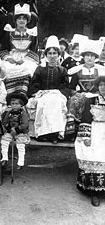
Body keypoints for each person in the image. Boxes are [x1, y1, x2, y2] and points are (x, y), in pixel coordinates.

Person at [27, 35, 70, 142]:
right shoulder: (40, 69)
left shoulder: (62, 70)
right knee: (44, 102)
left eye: (54, 53)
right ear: (46, 55)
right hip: (43, 95)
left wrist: (57, 92)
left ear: (58, 54)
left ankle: (55, 133)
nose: (52, 56)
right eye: (49, 53)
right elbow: (33, 84)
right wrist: (38, 91)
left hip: (57, 95)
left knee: (56, 102)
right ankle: (42, 133)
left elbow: (66, 87)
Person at [74, 76, 105, 206]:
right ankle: (95, 192)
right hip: (94, 131)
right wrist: (86, 137)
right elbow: (86, 118)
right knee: (93, 155)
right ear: (98, 87)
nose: (104, 88)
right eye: (101, 85)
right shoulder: (91, 100)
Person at [0, 3, 39, 96]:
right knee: (6, 69)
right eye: (19, 18)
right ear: (15, 20)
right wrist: (9, 58)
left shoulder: (32, 33)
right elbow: (4, 49)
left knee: (28, 69)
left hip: (27, 58)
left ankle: (23, 94)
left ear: (27, 20)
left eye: (24, 18)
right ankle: (10, 95)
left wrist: (25, 60)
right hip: (11, 56)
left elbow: (34, 50)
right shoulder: (9, 32)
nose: (21, 21)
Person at [68, 39, 105, 125]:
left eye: (92, 56)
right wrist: (78, 94)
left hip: (97, 95)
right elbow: (71, 88)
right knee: (75, 100)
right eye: (87, 55)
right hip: (82, 95)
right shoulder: (77, 70)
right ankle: (74, 128)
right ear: (83, 57)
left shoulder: (101, 70)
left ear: (95, 58)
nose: (89, 58)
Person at [1, 92, 29, 170]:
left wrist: (17, 129)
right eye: (13, 103)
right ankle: (4, 158)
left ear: (21, 105)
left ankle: (20, 162)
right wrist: (10, 129)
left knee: (20, 145)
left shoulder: (23, 113)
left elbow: (25, 124)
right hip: (10, 131)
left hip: (20, 132)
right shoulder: (9, 112)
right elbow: (5, 122)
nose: (14, 105)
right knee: (4, 141)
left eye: (17, 104)